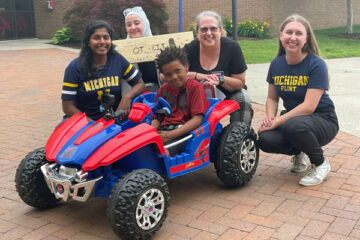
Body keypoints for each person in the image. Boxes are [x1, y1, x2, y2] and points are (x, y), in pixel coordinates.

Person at [257, 14, 339, 186]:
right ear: (281, 36)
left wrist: (279, 120)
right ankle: (300, 152)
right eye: (289, 32)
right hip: (295, 120)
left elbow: (309, 107)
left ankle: (320, 164)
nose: (293, 37)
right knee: (264, 138)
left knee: (292, 125)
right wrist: (270, 118)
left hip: (323, 120)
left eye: (298, 33)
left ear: (306, 38)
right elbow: (272, 98)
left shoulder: (316, 64)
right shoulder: (276, 64)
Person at [62, 20, 145, 121]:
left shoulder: (117, 60)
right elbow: (67, 107)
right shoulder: (74, 67)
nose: (102, 42)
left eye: (106, 37)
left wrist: (127, 97)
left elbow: (140, 84)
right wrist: (91, 125)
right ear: (88, 42)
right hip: (83, 123)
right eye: (96, 38)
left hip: (112, 122)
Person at [183, 10, 253, 125]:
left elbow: (240, 82)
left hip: (226, 93)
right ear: (197, 32)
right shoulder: (190, 49)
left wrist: (220, 79)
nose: (208, 33)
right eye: (204, 29)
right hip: (196, 95)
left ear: (220, 30)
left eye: (213, 29)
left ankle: (239, 135)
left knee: (243, 98)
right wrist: (198, 75)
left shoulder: (232, 47)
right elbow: (172, 75)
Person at [152, 46, 208, 155]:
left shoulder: (195, 88)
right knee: (144, 146)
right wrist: (150, 132)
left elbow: (198, 119)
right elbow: (157, 118)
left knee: (162, 152)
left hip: (185, 132)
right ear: (163, 75)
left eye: (177, 71)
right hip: (164, 130)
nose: (174, 77)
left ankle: (158, 168)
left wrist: (171, 135)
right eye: (168, 74)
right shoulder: (162, 91)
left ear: (186, 67)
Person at [123, 6, 160, 92]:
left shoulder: (158, 46)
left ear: (145, 24)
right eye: (129, 25)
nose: (133, 27)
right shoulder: (122, 51)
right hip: (132, 99)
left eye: (136, 23)